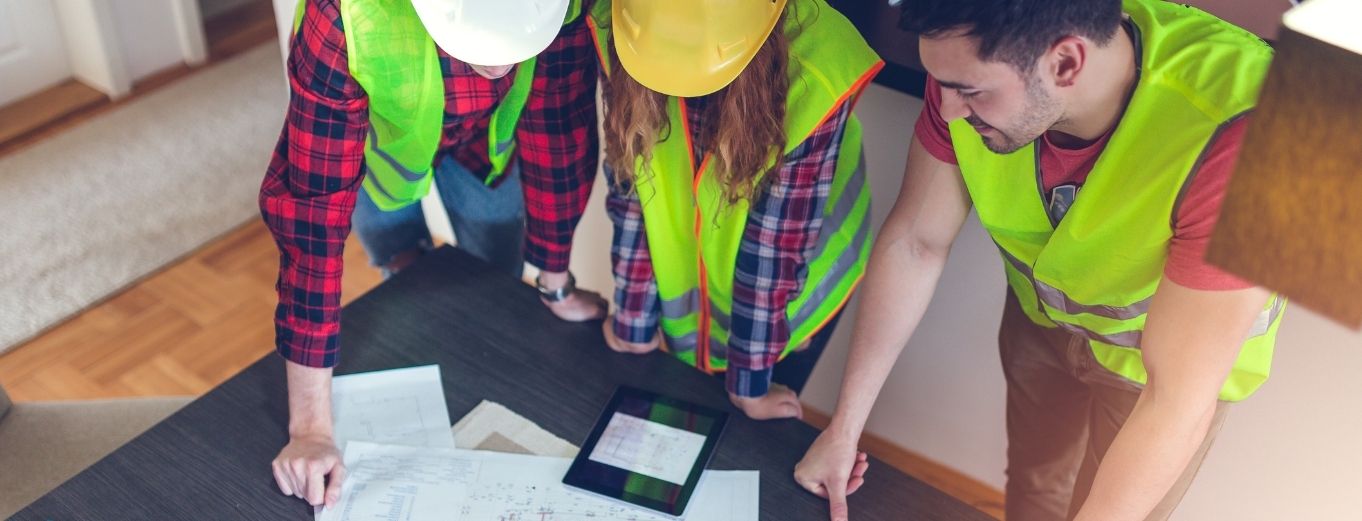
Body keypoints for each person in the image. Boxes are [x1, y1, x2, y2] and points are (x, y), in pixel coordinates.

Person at [794, 1, 1286, 520]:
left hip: (1162, 375)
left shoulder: (1245, 144)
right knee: (1034, 492)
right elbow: (916, 241)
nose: (949, 109)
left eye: (971, 91)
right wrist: (841, 431)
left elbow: (1177, 401)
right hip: (1042, 323)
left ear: (1066, 63)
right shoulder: (964, 66)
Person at [258, 0, 602, 507]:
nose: (499, 68)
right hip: (375, 148)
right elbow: (313, 220)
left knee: (492, 284)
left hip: (483, 148)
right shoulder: (342, 17)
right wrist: (310, 429)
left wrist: (554, 278)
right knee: (400, 269)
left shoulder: (565, 6)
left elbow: (559, 128)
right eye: (485, 47)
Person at [585, 0, 883, 421]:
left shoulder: (817, 63)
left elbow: (775, 247)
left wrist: (751, 384)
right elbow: (632, 182)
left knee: (747, 442)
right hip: (695, 301)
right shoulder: (617, 23)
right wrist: (634, 320)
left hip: (791, 294)